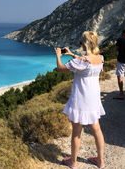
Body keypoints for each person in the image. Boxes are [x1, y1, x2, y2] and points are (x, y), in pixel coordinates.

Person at [55, 31, 106, 168]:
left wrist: (58, 56)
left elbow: (61, 68)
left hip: (81, 97)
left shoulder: (79, 62)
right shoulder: (101, 58)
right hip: (93, 97)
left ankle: (73, 162)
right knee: (97, 129)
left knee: (76, 132)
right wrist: (72, 54)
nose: (81, 44)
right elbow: (86, 60)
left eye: (81, 42)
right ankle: (100, 161)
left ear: (85, 43)